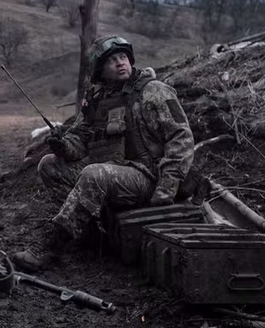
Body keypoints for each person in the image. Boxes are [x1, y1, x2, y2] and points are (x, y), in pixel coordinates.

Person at [12, 35, 195, 272]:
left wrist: (167, 186)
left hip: (148, 176)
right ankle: (89, 237)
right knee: (49, 165)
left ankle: (52, 245)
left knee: (94, 174)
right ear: (101, 69)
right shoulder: (97, 99)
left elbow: (181, 137)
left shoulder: (154, 91)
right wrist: (62, 145)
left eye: (123, 57)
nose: (121, 63)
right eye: (112, 60)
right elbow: (79, 140)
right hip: (110, 170)